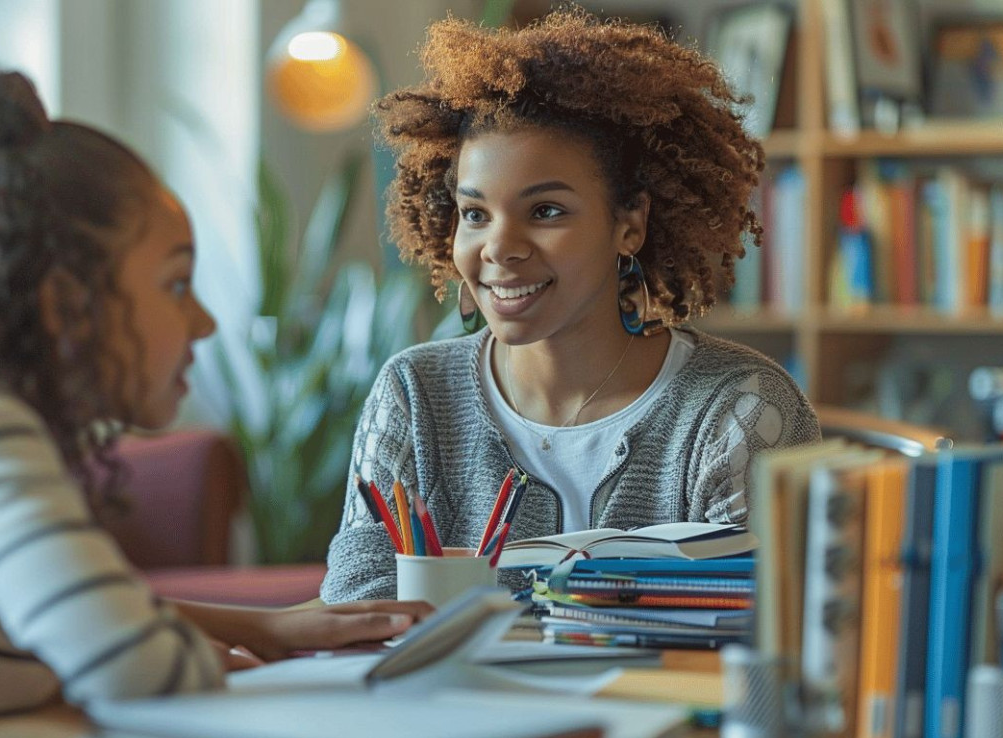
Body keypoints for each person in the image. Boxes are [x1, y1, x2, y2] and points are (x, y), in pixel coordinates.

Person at [0, 67, 430, 738]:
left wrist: (265, 627)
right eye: (175, 283)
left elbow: (69, 607)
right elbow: (146, 672)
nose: (202, 323)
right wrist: (191, 655)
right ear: (63, 303)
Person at [321, 10, 821, 603]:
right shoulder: (413, 394)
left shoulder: (739, 409)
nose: (499, 249)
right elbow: (356, 605)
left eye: (546, 211)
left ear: (629, 224)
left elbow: (765, 625)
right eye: (475, 214)